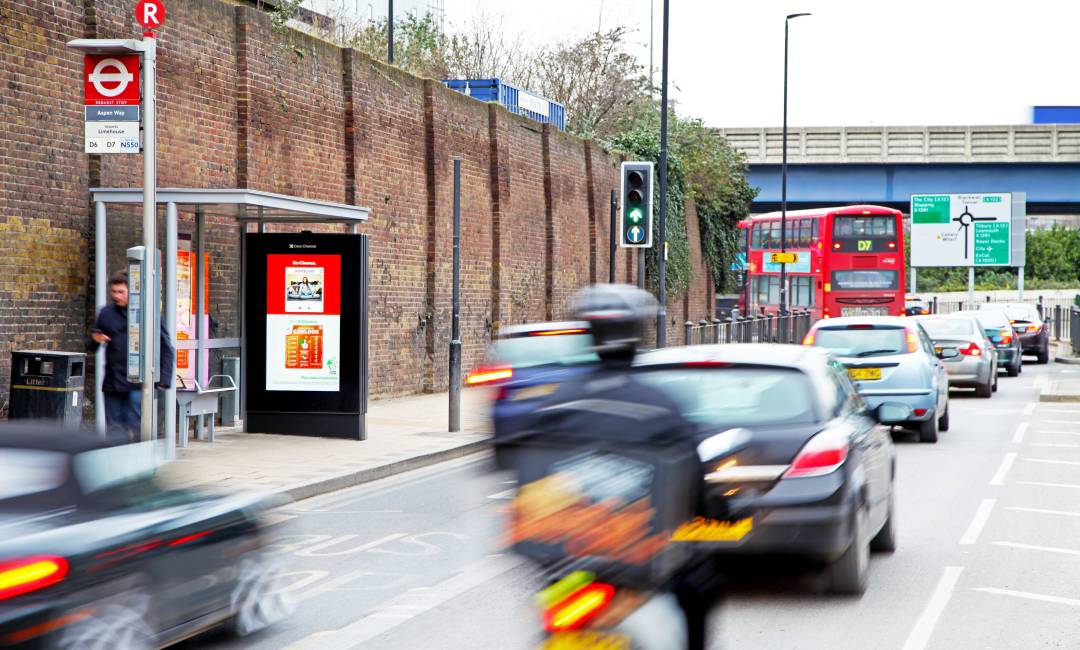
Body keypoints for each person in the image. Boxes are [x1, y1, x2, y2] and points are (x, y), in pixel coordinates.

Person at [87, 270, 175, 442]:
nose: (116, 296)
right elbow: (91, 345)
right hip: (113, 382)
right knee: (114, 429)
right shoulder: (106, 313)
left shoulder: (148, 315)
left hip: (138, 384)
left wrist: (163, 379)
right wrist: (94, 339)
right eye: (114, 292)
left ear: (132, 292)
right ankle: (117, 465)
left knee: (137, 426)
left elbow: (166, 347)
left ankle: (139, 462)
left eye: (121, 292)